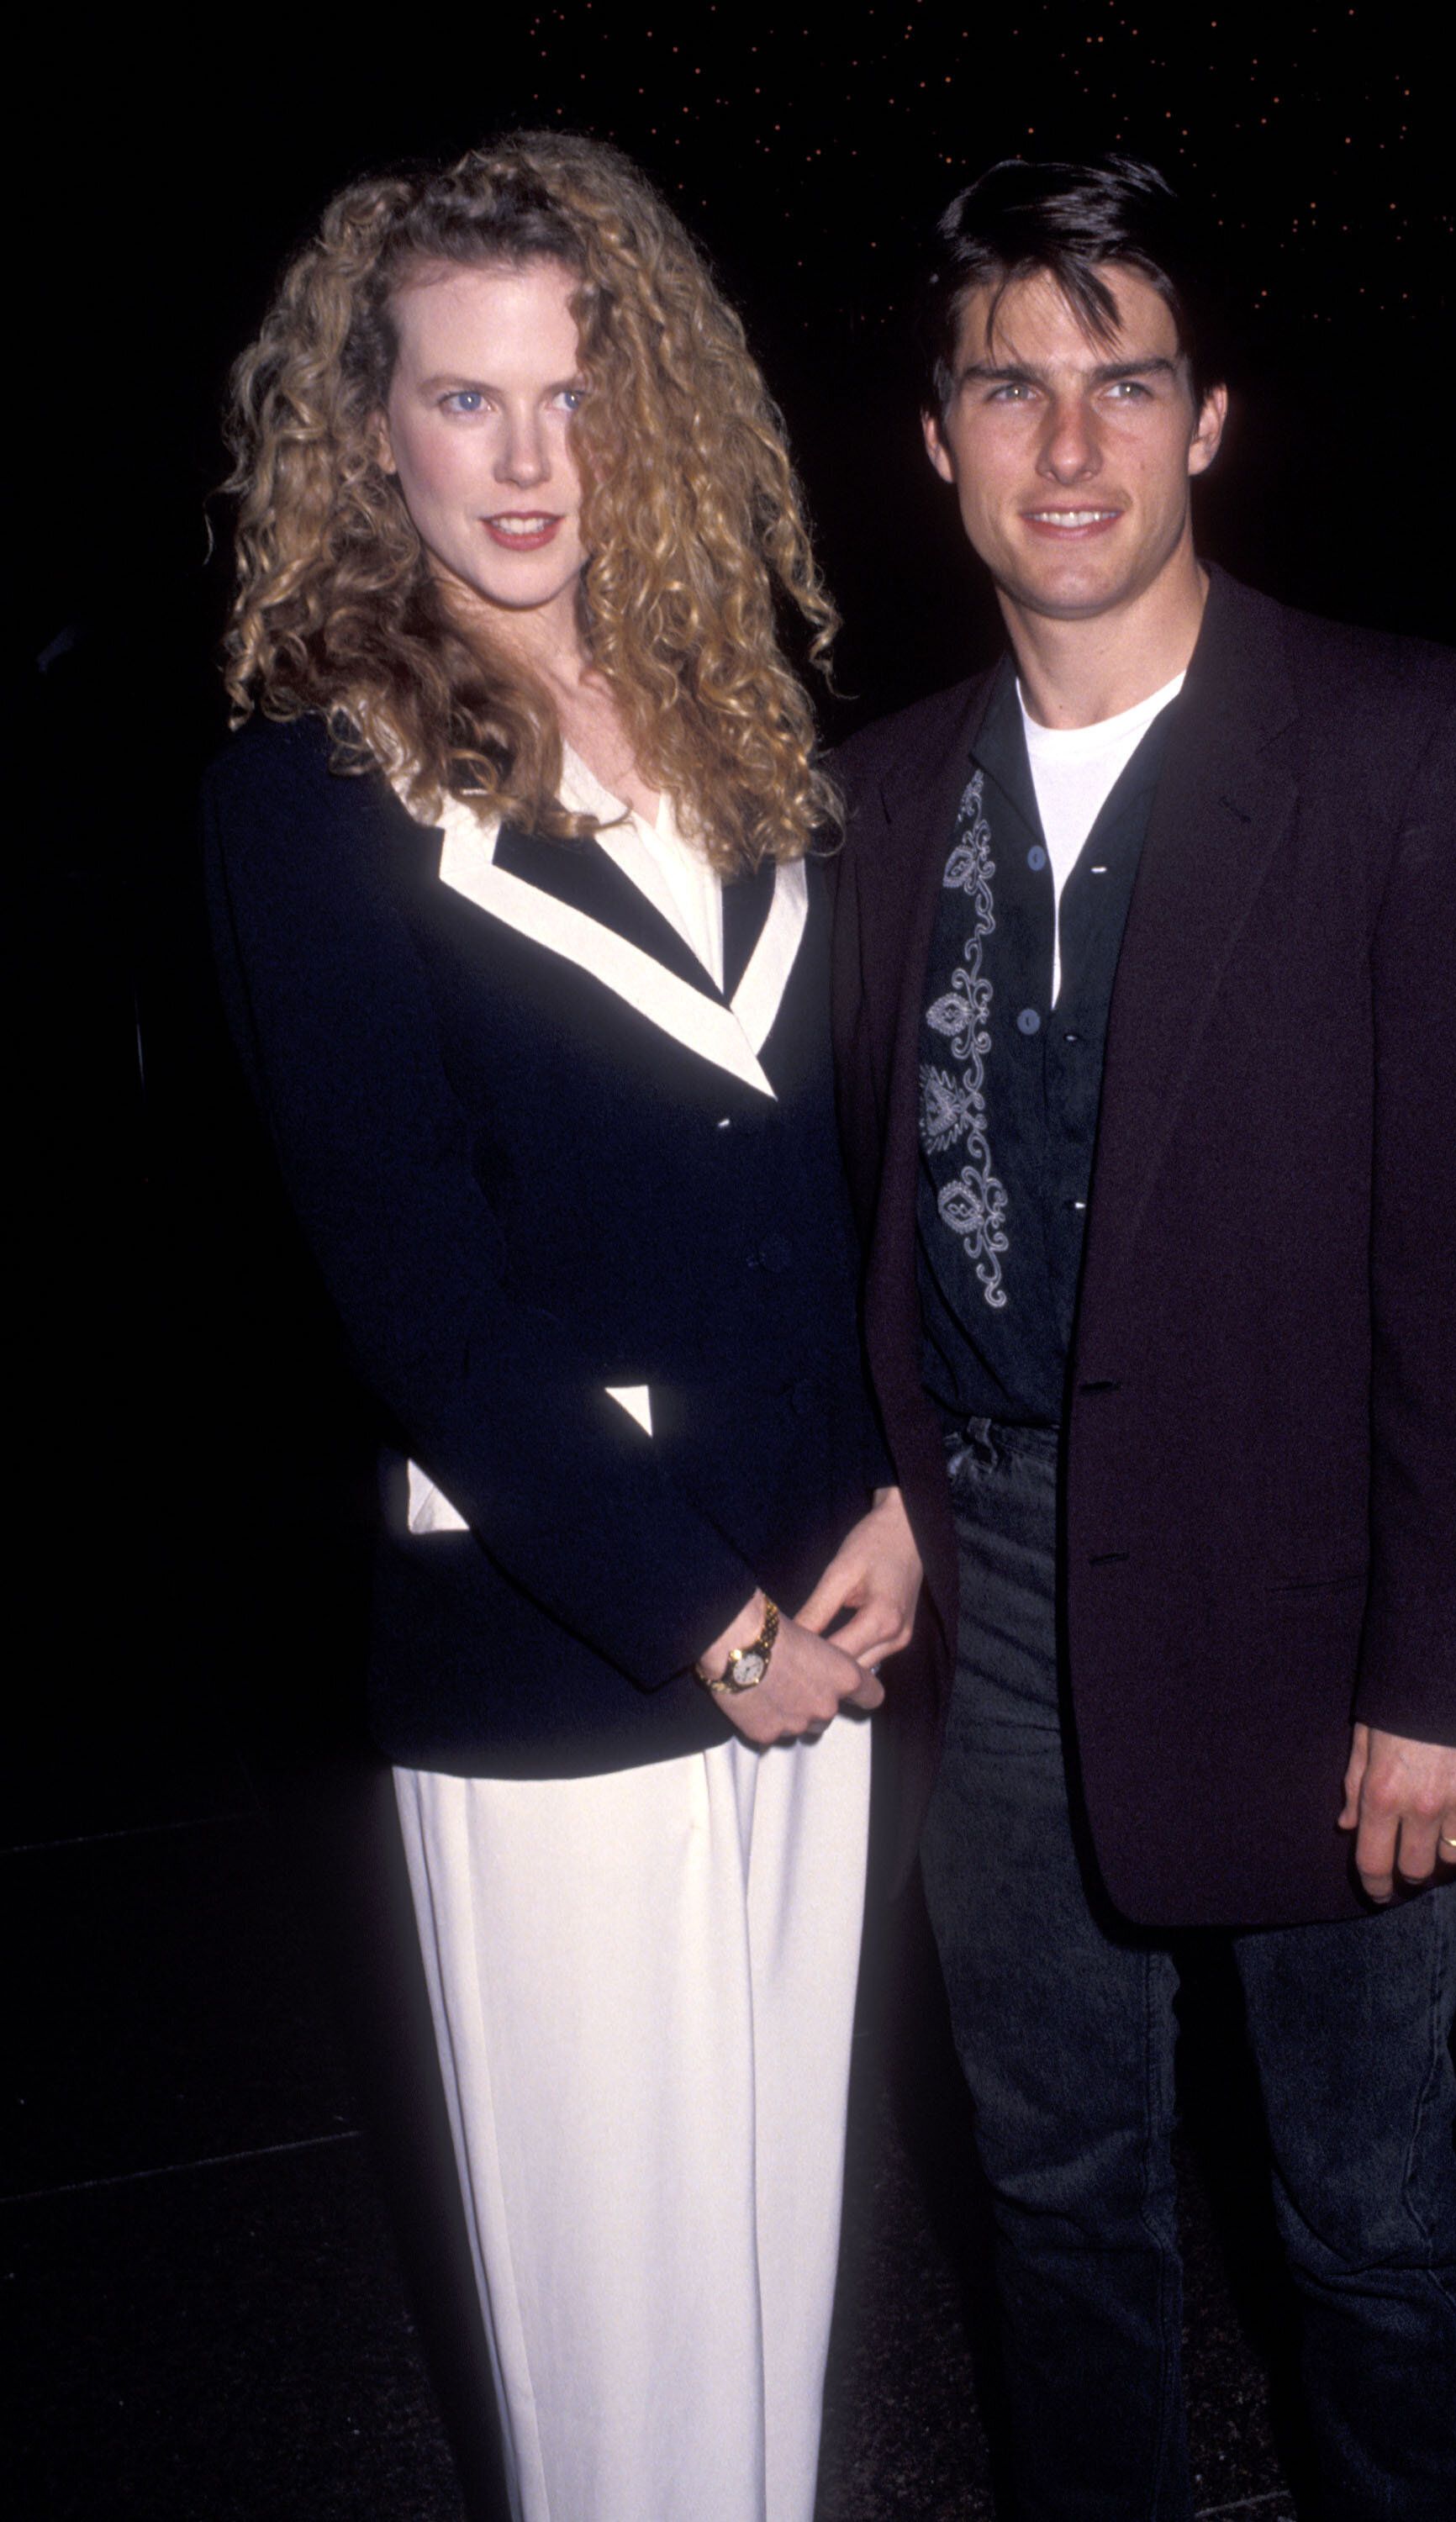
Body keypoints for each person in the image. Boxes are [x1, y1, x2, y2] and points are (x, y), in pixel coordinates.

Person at [830, 157, 1456, 2521]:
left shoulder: (1408, 746)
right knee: (1058, 2217)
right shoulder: (871, 801)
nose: (1070, 448)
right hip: (994, 1590)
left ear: (1210, 420)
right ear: (934, 440)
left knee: (1365, 2225)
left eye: (1123, 382)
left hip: (1311, 1589)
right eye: (1010, 387)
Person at [205, 131, 921, 2522]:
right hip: (564, 1610)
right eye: (463, 402)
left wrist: (896, 1497)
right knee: (619, 2346)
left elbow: (845, 1167)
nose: (526, 466)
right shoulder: (309, 795)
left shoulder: (742, 719)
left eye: (571, 399)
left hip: (823, 1580)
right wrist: (703, 1622)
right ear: (367, 426)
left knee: (769, 2280)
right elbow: (412, 1294)